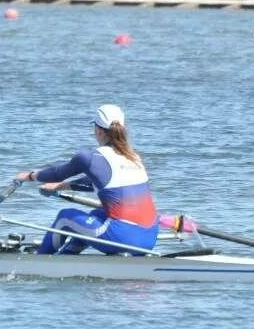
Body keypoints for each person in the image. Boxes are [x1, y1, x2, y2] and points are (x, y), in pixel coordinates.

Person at [15, 104, 159, 255]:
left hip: (123, 238)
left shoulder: (88, 158)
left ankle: (41, 261)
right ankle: (66, 257)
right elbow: (99, 183)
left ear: (98, 131)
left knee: (65, 216)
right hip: (149, 237)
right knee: (96, 216)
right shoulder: (133, 157)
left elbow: (57, 173)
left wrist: (29, 176)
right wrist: (61, 187)